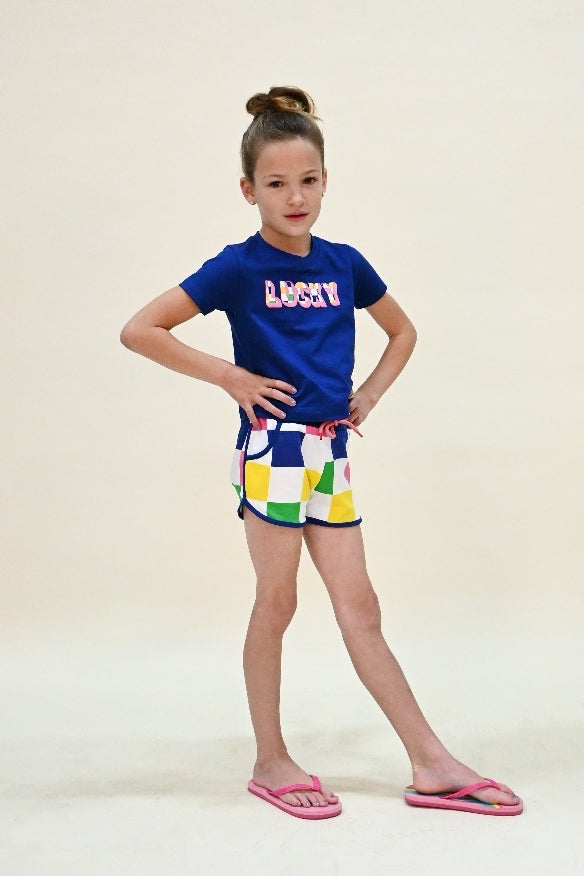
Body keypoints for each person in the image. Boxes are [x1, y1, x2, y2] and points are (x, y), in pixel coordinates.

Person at [120, 86, 523, 820]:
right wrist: (231, 377)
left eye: (307, 180)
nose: (295, 197)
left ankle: (431, 763)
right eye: (276, 184)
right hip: (273, 450)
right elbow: (140, 329)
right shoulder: (237, 267)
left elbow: (402, 331)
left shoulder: (344, 264)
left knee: (360, 606)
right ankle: (270, 759)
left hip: (330, 452)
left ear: (326, 180)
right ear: (250, 190)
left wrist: (368, 395)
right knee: (278, 602)